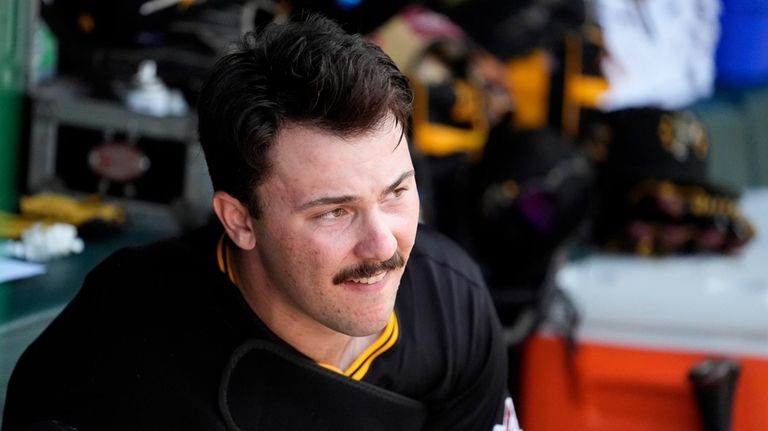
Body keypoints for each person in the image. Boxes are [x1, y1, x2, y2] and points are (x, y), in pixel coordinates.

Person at [3, 14, 519, 431]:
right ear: (239, 220)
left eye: (397, 194)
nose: (383, 245)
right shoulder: (123, 351)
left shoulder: (450, 301)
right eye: (334, 211)